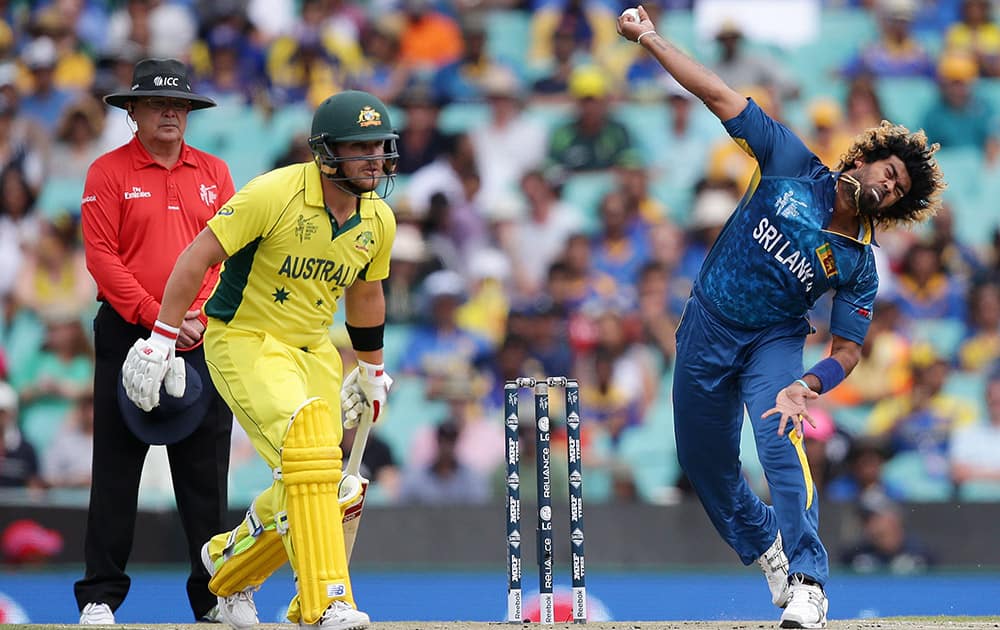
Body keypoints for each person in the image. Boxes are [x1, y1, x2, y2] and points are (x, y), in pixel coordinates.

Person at [617, 7, 945, 629]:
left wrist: (808, 383)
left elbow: (849, 350)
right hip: (707, 325)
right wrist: (648, 37)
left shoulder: (859, 264)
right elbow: (716, 94)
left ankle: (809, 582)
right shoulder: (791, 161)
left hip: (772, 341)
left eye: (900, 189)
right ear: (869, 157)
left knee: (778, 436)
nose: (888, 186)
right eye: (890, 171)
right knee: (704, 464)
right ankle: (767, 547)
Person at [120, 89, 398, 630]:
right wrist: (161, 336)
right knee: (311, 457)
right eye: (358, 148)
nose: (374, 160)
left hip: (315, 349)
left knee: (319, 483)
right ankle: (324, 603)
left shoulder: (378, 220)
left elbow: (366, 293)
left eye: (379, 147)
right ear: (325, 154)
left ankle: (228, 565)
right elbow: (198, 255)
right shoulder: (273, 193)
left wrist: (372, 369)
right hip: (245, 339)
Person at [75, 58, 236, 625]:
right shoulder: (107, 172)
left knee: (206, 473)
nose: (172, 113)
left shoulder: (215, 171)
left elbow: (226, 255)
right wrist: (156, 319)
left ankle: (217, 595)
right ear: (133, 112)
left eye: (180, 105)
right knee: (117, 466)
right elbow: (103, 259)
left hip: (200, 335)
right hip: (128, 332)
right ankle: (99, 595)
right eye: (159, 104)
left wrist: (191, 318)